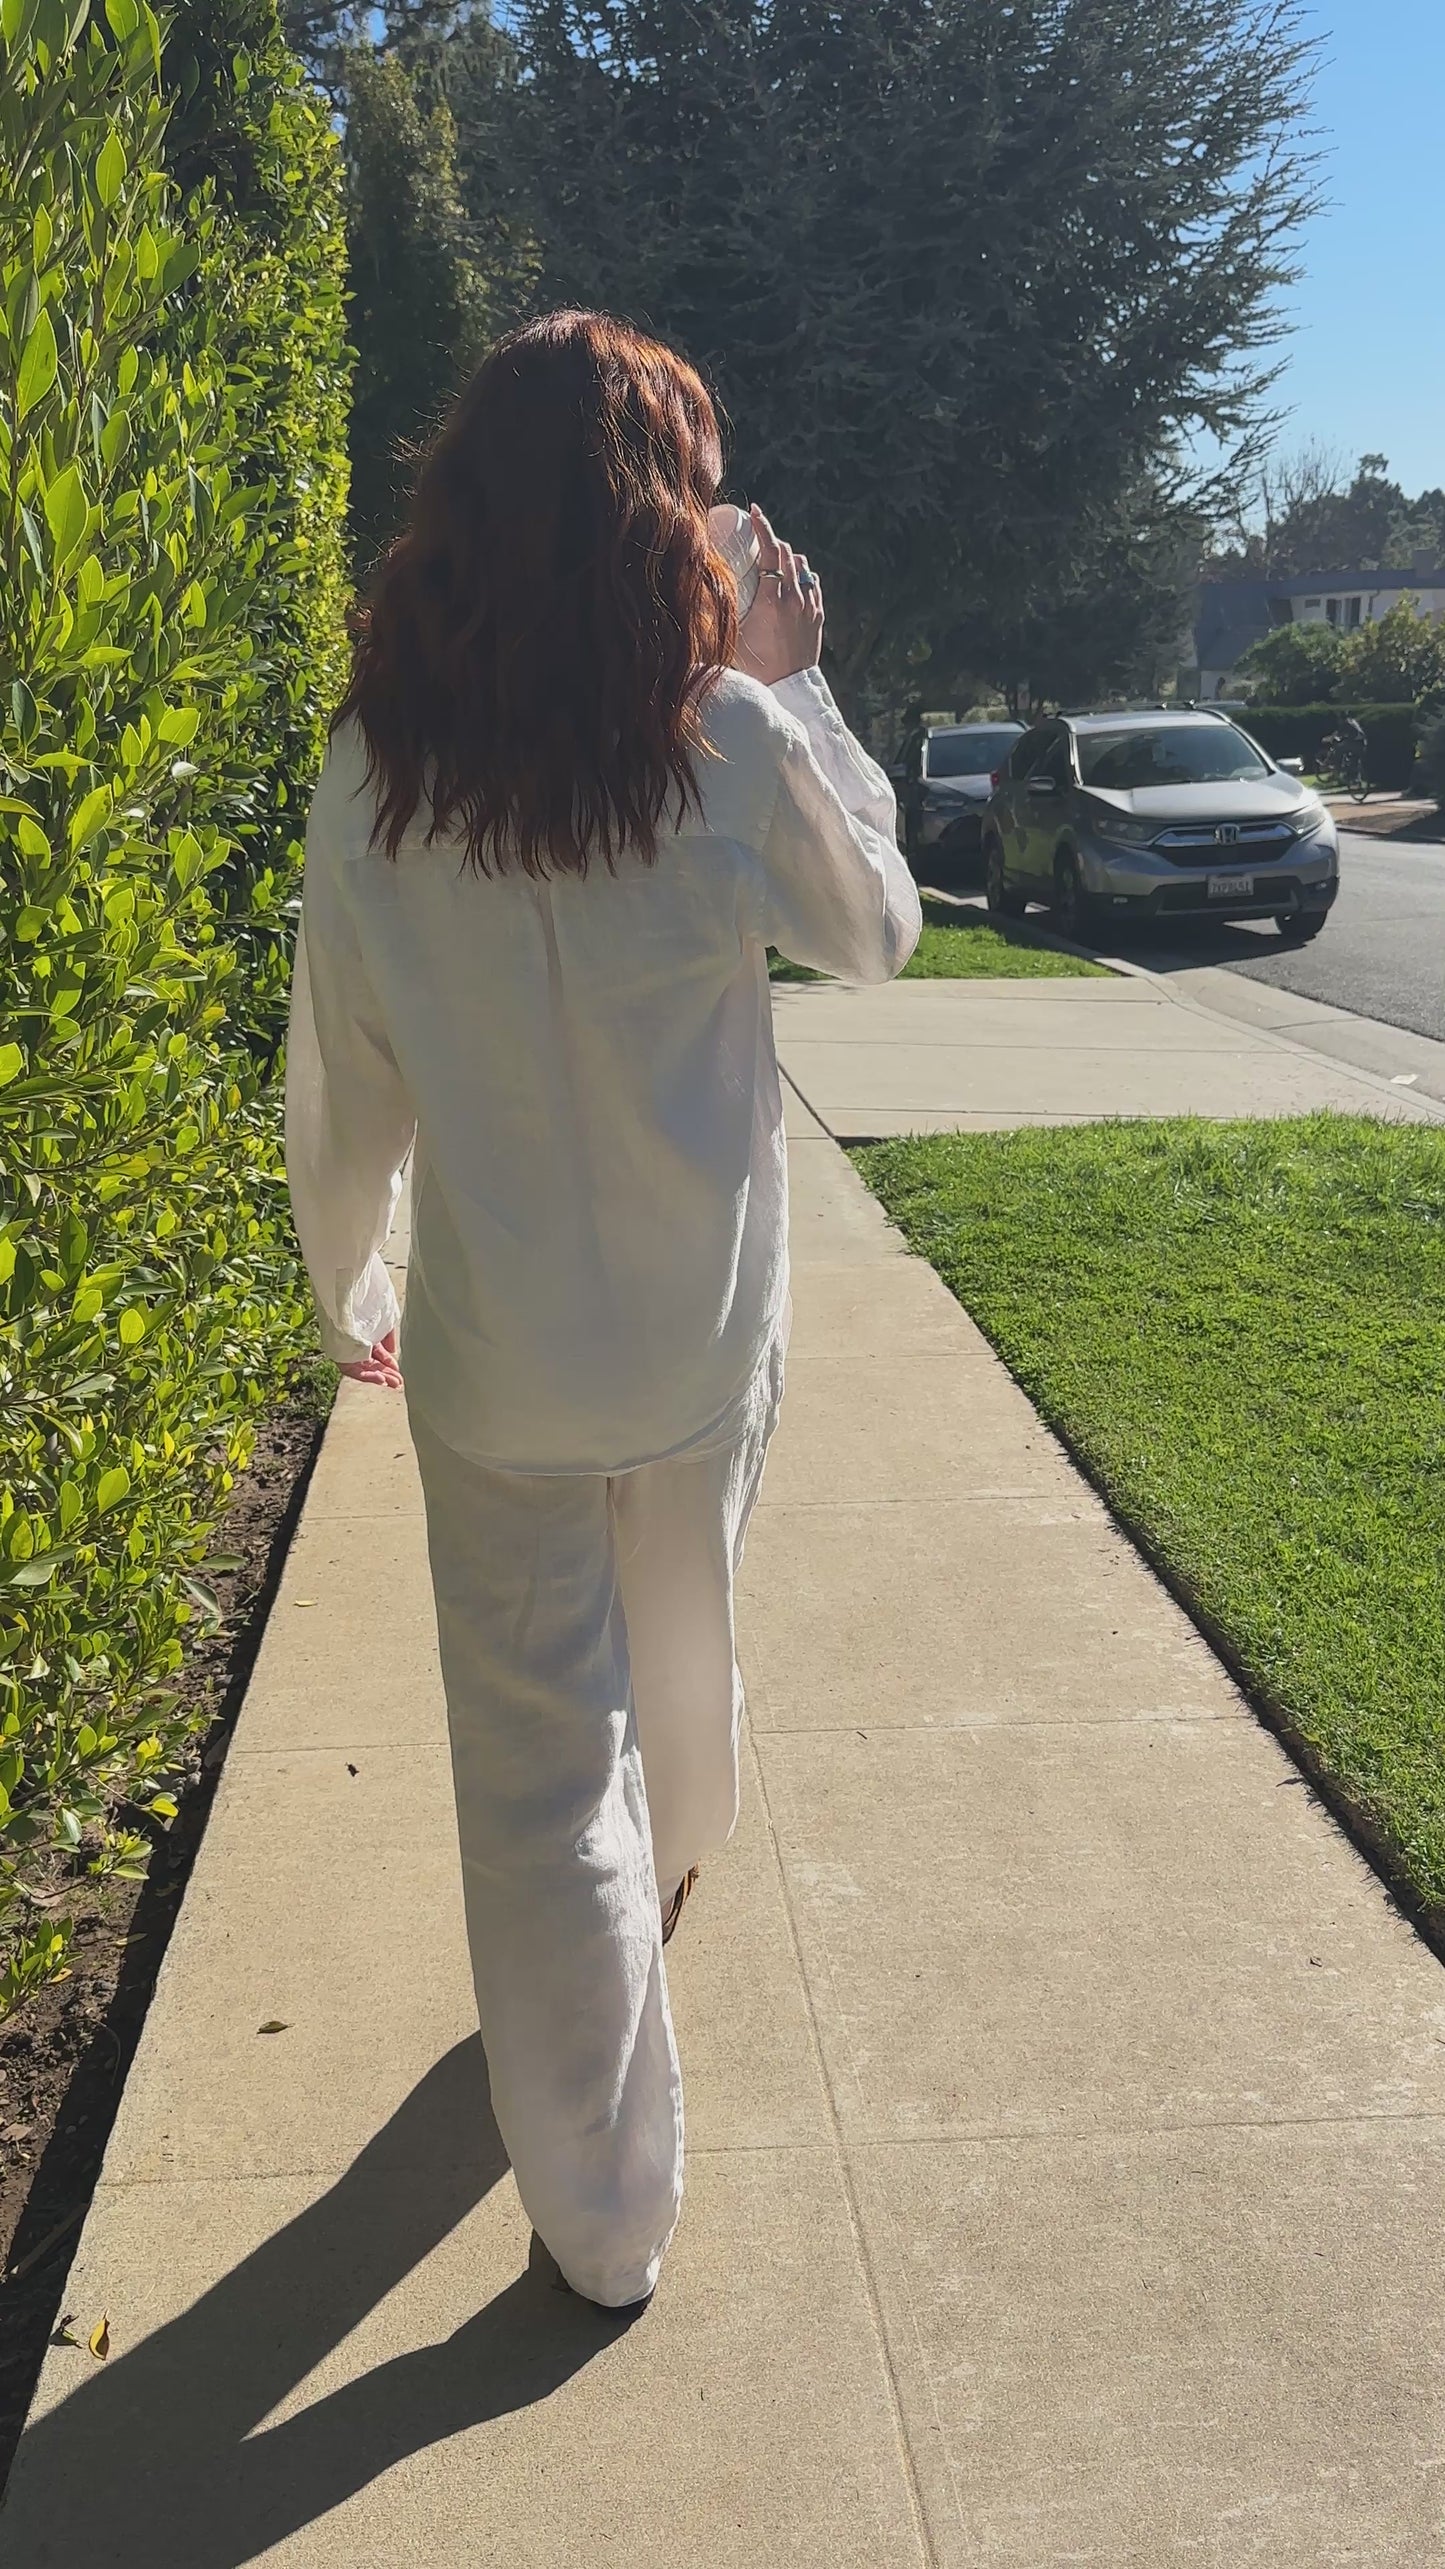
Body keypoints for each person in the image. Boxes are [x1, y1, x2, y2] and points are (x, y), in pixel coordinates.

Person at [284, 310, 920, 2312]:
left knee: (540, 1767)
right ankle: (649, 1934)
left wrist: (347, 1272)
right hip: (698, 1335)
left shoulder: (374, 763)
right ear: (664, 513)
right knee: (677, 1661)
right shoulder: (720, 737)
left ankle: (602, 2203)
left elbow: (341, 1069)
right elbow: (876, 933)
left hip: (503, 1364)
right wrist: (795, 687)